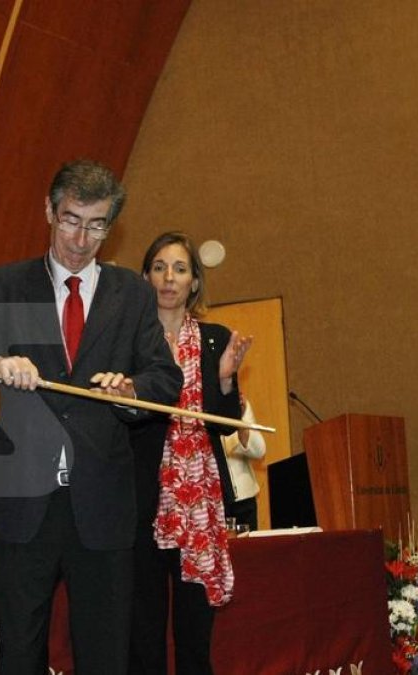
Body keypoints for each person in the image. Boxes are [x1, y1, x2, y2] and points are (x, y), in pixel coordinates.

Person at [0, 159, 182, 674]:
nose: (81, 239)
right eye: (70, 220)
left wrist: (131, 390)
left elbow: (164, 379)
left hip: (102, 504)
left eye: (97, 225)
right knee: (19, 651)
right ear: (48, 210)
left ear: (112, 225)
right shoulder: (9, 284)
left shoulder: (130, 293)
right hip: (21, 503)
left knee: (106, 653)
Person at [129, 231, 251, 675]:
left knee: (195, 631)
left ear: (194, 282)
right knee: (143, 629)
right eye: (159, 267)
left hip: (198, 503)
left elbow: (221, 425)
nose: (169, 278)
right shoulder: (130, 341)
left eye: (180, 269)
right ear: (146, 277)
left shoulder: (216, 338)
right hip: (145, 498)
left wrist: (223, 381)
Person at [221, 394, 266, 531]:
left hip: (243, 498)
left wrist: (240, 422)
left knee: (248, 550)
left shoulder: (237, 400)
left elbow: (259, 451)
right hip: (209, 500)